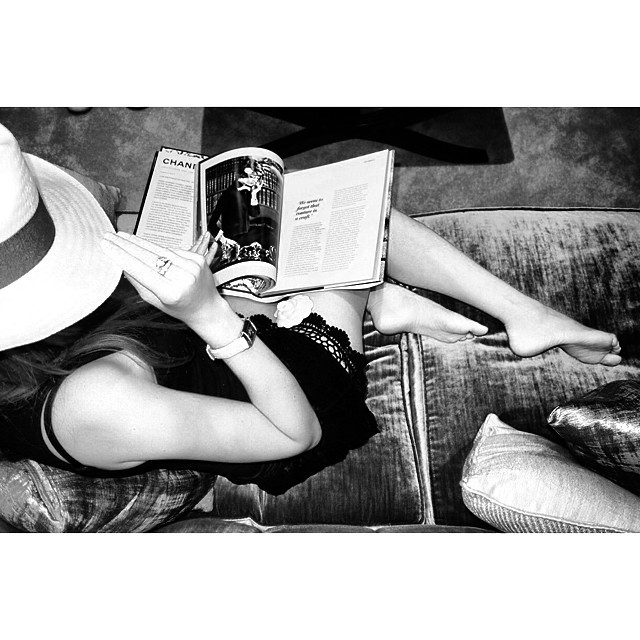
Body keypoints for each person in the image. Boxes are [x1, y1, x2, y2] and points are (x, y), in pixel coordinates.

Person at [0, 124, 622, 495]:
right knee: (351, 228)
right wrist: (212, 315)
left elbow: (112, 226)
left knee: (300, 205)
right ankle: (374, 300)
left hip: (187, 342)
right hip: (278, 402)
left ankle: (407, 302)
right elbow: (295, 434)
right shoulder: (92, 404)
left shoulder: (42, 332)